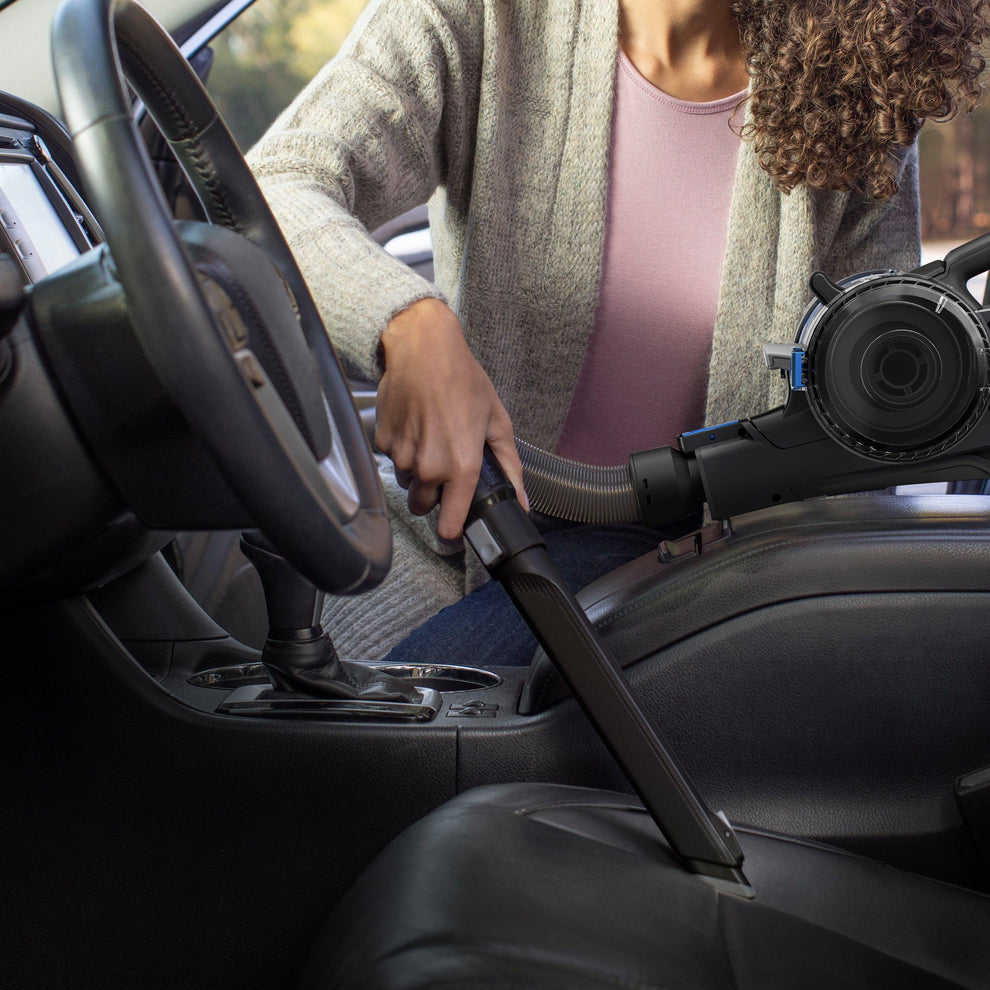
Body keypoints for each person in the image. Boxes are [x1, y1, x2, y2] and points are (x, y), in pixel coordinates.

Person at [249, 0, 989, 663]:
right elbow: (273, 190)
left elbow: (868, 433)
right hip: (474, 529)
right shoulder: (481, 17)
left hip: (714, 582)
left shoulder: (850, 81)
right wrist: (408, 325)